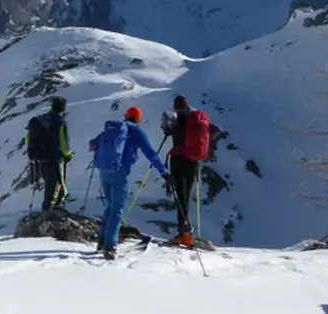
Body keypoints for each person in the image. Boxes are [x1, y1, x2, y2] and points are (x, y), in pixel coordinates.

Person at [89, 106, 172, 260]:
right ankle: (110, 246)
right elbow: (150, 153)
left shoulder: (112, 129)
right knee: (117, 210)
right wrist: (164, 172)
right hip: (119, 174)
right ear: (138, 119)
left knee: (110, 206)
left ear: (126, 116)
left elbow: (92, 144)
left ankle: (101, 240)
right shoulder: (136, 132)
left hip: (103, 172)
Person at [161, 94, 221, 247]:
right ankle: (186, 232)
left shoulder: (177, 116)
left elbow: (166, 127)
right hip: (194, 160)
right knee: (186, 196)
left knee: (180, 196)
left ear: (176, 105)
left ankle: (185, 233)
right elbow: (216, 130)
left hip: (179, 158)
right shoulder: (199, 117)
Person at [25, 96, 74, 211]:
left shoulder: (40, 120)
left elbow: (28, 138)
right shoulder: (60, 123)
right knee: (54, 186)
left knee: (49, 184)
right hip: (54, 158)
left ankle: (49, 211)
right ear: (63, 109)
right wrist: (68, 155)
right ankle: (49, 213)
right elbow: (64, 146)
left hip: (41, 158)